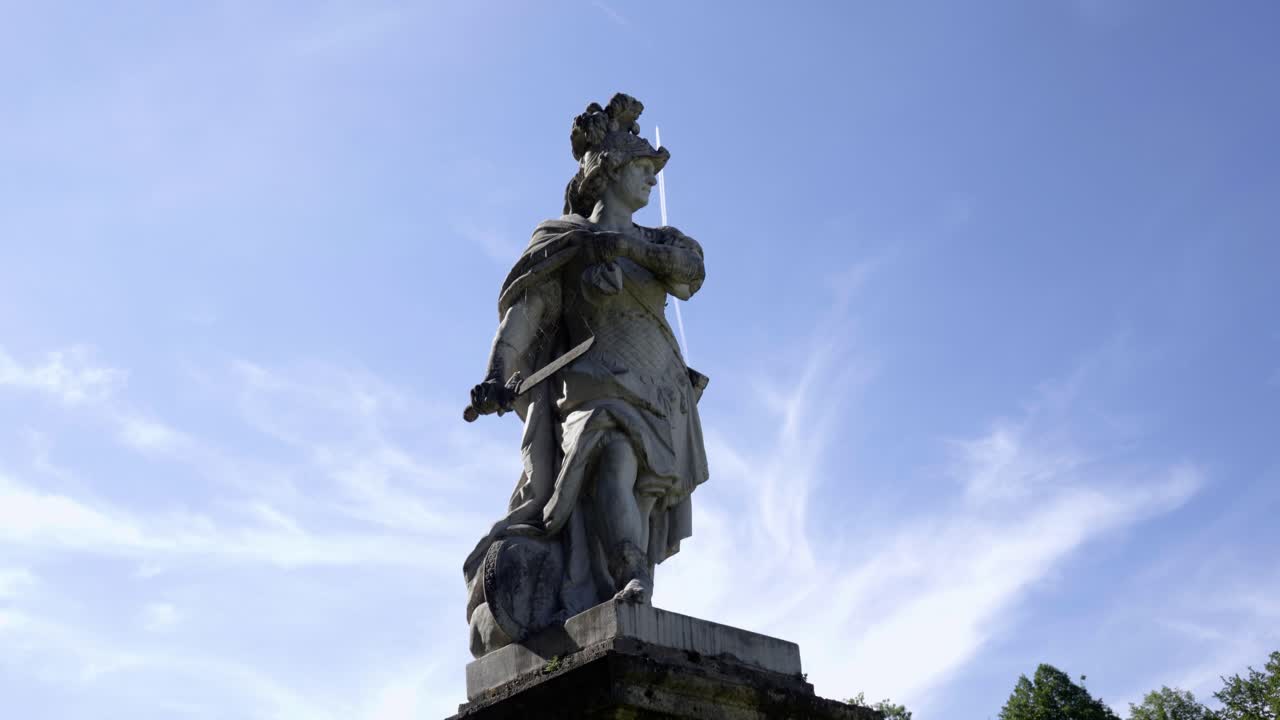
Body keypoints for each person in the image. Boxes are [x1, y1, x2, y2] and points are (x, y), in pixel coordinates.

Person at [463, 94, 710, 658]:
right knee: (612, 457)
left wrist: (622, 245)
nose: (651, 178)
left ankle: (624, 592)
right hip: (591, 386)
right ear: (611, 172)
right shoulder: (563, 243)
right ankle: (630, 576)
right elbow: (523, 317)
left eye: (652, 169)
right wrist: (496, 375)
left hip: (658, 387)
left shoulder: (659, 243)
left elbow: (691, 273)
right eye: (641, 167)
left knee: (640, 494)